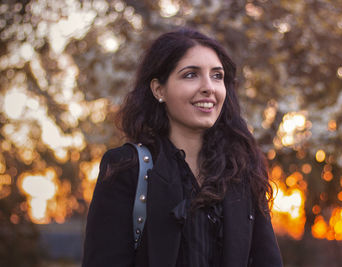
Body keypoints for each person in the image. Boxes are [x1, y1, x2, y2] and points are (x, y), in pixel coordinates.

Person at [82, 28, 283, 267]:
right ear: (159, 90)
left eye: (217, 76)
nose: (209, 87)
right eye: (191, 75)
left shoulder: (242, 170)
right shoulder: (127, 168)